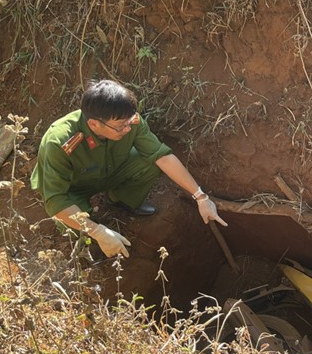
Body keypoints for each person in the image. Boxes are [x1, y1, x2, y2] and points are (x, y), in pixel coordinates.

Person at [30, 79, 226, 258]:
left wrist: (201, 197)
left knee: (149, 160)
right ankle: (92, 238)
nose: (127, 129)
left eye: (129, 122)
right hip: (72, 190)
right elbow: (56, 200)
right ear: (94, 124)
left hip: (109, 172)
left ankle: (120, 200)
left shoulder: (129, 121)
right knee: (81, 232)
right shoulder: (60, 142)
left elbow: (162, 156)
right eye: (120, 126)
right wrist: (98, 231)